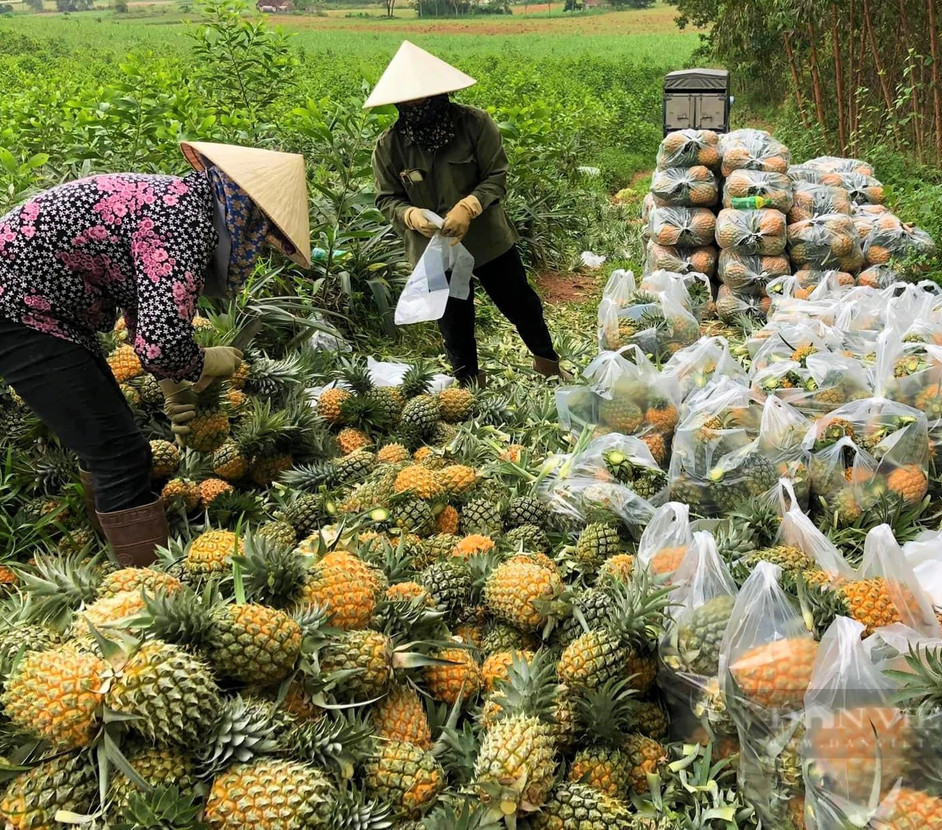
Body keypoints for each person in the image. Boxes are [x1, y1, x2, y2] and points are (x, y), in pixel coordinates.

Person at [0, 142, 311, 565]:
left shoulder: (176, 203)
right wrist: (206, 361)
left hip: (38, 306)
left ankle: (113, 556)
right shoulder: (184, 220)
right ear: (243, 213)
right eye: (259, 232)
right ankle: (144, 583)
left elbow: (140, 313)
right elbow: (162, 341)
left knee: (108, 441)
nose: (256, 246)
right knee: (120, 454)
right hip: (20, 308)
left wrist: (174, 390)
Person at [368, 41, 567, 386]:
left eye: (423, 99)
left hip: (487, 238)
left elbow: (497, 175)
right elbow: (387, 198)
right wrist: (411, 215)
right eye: (408, 101)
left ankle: (548, 363)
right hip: (432, 249)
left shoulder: (474, 124)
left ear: (440, 94)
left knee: (519, 301)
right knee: (453, 318)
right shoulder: (389, 146)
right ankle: (468, 383)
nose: (416, 106)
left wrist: (469, 205)